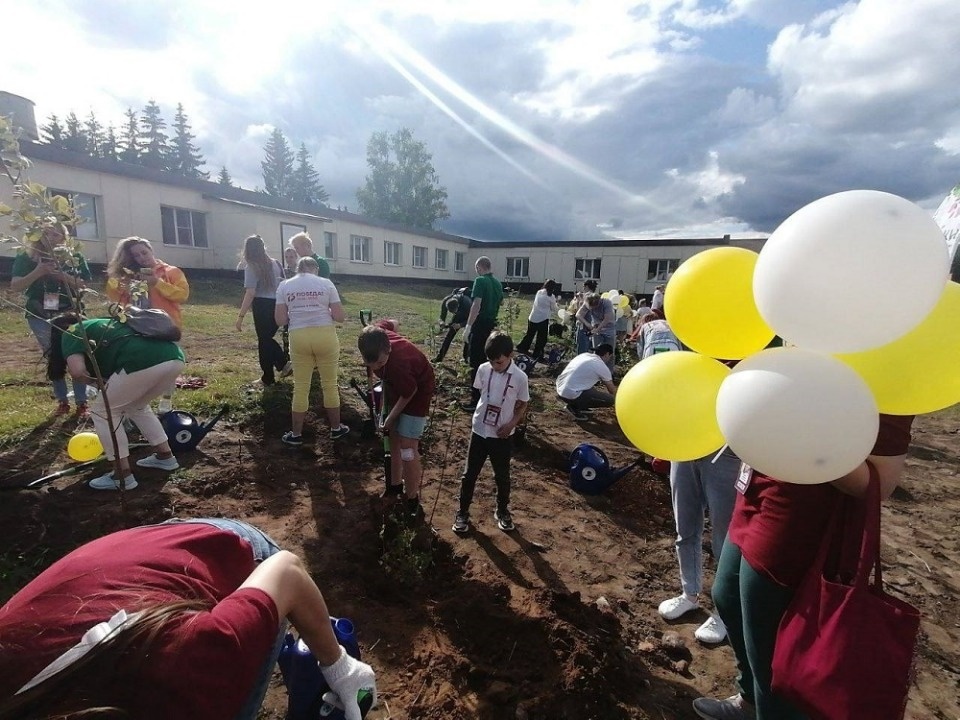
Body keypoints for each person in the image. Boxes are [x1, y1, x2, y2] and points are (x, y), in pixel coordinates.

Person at [0, 517, 376, 720]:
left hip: (214, 547)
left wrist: (340, 666)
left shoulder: (188, 675)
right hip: (129, 560)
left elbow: (286, 571)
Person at [693, 414, 915, 720]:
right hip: (757, 485)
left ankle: (772, 709)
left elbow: (880, 481)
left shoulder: (883, 375)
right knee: (727, 596)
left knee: (772, 643)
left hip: (803, 514)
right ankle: (750, 701)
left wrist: (800, 423)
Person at [47, 311, 185, 491]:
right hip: (174, 357)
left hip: (141, 361)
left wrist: (94, 383)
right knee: (138, 407)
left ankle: (122, 476)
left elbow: (77, 371)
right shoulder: (104, 324)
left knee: (103, 412)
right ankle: (165, 457)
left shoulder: (71, 331)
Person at [658, 448, 741, 645]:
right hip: (685, 446)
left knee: (724, 540)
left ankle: (724, 613)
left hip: (724, 452)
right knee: (685, 528)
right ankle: (689, 594)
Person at [10, 222, 92, 417]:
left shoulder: (74, 257)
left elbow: (84, 285)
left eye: (56, 234)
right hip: (40, 314)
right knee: (53, 355)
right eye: (46, 234)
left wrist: (64, 277)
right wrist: (39, 271)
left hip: (71, 313)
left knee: (75, 353)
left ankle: (82, 402)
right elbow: (16, 286)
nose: (51, 238)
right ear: (38, 236)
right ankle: (62, 401)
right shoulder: (26, 257)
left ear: (64, 237)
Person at [452, 332, 529, 534]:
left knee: (502, 476)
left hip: (502, 434)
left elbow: (523, 404)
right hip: (479, 429)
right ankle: (462, 512)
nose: (495, 366)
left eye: (499, 362)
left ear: (510, 355)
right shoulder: (483, 369)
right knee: (469, 475)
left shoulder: (520, 378)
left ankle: (502, 510)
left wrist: (511, 423)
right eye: (492, 362)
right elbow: (480, 392)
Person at [358, 321, 436, 517]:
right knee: (391, 436)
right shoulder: (375, 335)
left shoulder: (398, 363)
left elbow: (410, 392)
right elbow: (392, 322)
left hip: (417, 392)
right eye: (371, 364)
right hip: (396, 385)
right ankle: (394, 486)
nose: (376, 367)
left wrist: (390, 418)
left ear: (389, 348)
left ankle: (411, 499)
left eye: (380, 364)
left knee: (408, 447)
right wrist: (389, 422)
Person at [274, 257, 347, 445]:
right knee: (330, 384)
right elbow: (340, 317)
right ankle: (336, 429)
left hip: (299, 336)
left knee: (300, 386)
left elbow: (280, 320)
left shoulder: (285, 286)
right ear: (315, 269)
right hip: (325, 336)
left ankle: (296, 434)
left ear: (297, 269)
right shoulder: (326, 283)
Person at [235, 234, 291, 386]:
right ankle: (270, 375)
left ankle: (280, 366)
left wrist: (240, 316)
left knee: (264, 340)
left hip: (262, 305)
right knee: (266, 340)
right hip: (279, 303)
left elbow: (251, 292)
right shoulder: (276, 263)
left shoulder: (251, 266)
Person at [106, 237, 190, 328]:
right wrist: (124, 284)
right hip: (139, 324)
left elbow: (182, 296)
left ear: (151, 250)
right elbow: (116, 300)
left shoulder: (172, 271)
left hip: (168, 325)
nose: (142, 257)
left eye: (144, 253)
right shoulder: (131, 275)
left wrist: (157, 283)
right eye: (136, 256)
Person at [463, 256, 503, 409]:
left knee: (475, 361)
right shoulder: (497, 283)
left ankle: (475, 399)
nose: (476, 271)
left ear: (480, 267)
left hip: (479, 325)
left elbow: (476, 304)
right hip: (491, 324)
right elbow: (501, 302)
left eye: (476, 268)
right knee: (488, 360)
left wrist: (468, 326)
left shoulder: (480, 281)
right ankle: (488, 393)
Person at [555, 344, 617, 420]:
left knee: (590, 388)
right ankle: (574, 407)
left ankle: (581, 405)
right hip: (570, 394)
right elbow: (611, 389)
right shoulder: (601, 366)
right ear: (607, 354)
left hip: (559, 388)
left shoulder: (584, 355)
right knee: (610, 400)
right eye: (610, 356)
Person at [517, 279, 559, 361]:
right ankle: (537, 354)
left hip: (533, 317)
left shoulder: (539, 292)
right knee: (541, 338)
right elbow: (554, 309)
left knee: (530, 334)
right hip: (543, 319)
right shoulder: (551, 297)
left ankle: (522, 347)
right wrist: (557, 303)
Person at [575, 293, 617, 370]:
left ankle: (609, 373)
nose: (593, 310)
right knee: (597, 352)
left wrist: (598, 329)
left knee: (610, 353)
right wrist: (588, 325)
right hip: (596, 329)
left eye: (594, 308)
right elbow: (578, 315)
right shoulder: (588, 302)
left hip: (609, 329)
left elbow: (607, 319)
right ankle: (596, 372)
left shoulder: (606, 303)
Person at [435, 287, 472, 363]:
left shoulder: (467, 303)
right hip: (458, 316)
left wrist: (460, 325)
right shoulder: (446, 301)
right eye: (451, 312)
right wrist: (442, 323)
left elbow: (472, 319)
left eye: (454, 312)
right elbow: (442, 317)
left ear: (458, 306)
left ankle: (466, 359)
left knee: (467, 337)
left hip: (468, 316)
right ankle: (439, 358)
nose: (453, 314)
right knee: (449, 336)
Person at [574, 280, 598, 354]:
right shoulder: (596, 296)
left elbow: (579, 312)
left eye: (583, 287)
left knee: (582, 349)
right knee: (590, 349)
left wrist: (579, 300)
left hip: (584, 325)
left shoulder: (586, 296)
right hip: (593, 324)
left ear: (587, 286)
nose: (583, 288)